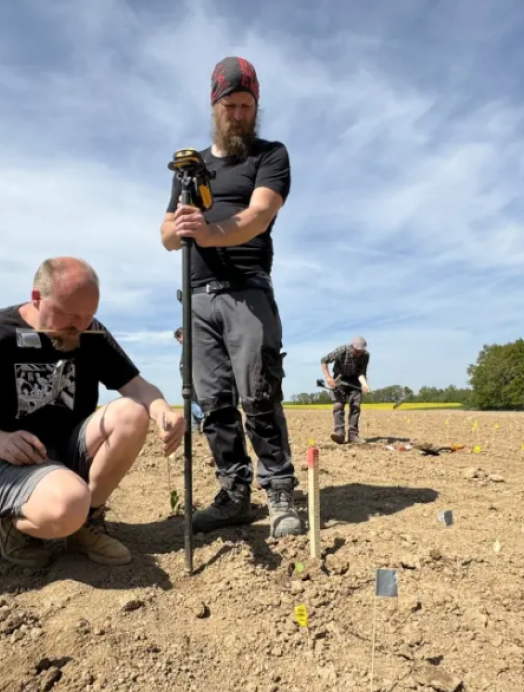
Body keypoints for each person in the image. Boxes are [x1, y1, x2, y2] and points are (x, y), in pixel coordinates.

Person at [0, 257, 184, 568]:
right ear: (37, 298)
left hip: (61, 453)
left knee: (132, 413)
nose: (80, 325)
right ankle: (15, 526)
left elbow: (139, 388)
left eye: (89, 316)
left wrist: (163, 411)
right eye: (70, 316)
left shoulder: (89, 333)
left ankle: (84, 524)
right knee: (70, 500)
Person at [158, 56, 303, 539]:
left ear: (255, 107)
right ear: (214, 104)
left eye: (247, 105)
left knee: (259, 394)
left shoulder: (270, 155)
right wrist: (178, 229)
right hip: (196, 298)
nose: (239, 113)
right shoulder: (189, 167)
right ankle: (234, 493)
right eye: (231, 105)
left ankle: (279, 489)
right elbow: (164, 233)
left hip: (247, 291)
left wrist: (207, 230)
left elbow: (259, 216)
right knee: (214, 402)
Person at [320, 337, 371, 444]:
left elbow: (361, 372)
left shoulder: (365, 356)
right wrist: (328, 378)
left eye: (361, 352)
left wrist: (364, 384)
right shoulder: (341, 350)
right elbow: (324, 360)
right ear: (352, 347)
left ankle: (353, 435)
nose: (358, 354)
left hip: (355, 380)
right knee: (338, 406)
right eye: (357, 351)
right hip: (339, 378)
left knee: (355, 407)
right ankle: (339, 433)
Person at [173, 327, 205, 431]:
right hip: (195, 378)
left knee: (190, 400)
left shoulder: (189, 346)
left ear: (181, 335)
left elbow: (186, 366)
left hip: (191, 379)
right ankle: (195, 427)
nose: (179, 342)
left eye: (178, 339)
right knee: (195, 400)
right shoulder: (195, 344)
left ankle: (203, 418)